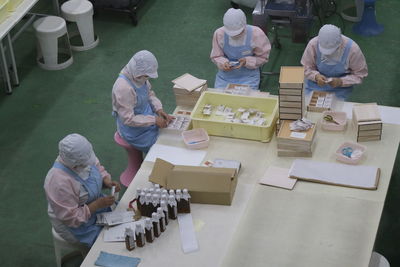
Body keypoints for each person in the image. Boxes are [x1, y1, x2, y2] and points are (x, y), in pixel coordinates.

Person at [44, 133, 121, 247]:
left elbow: (97, 167)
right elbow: (71, 218)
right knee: (106, 244)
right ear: (74, 164)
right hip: (74, 224)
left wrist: (106, 181)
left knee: (121, 221)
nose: (88, 164)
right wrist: (96, 205)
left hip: (93, 206)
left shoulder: (83, 156)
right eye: (84, 164)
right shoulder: (59, 182)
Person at [112, 50, 173, 153]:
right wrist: (154, 120)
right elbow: (128, 119)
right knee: (161, 148)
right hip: (134, 130)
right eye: (145, 76)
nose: (146, 78)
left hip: (147, 117)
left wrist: (159, 109)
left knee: (170, 135)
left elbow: (149, 94)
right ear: (138, 73)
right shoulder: (123, 88)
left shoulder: (139, 77)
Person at [301, 24, 368, 100]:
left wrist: (341, 81)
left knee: (336, 109)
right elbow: (306, 67)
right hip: (315, 85)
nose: (328, 55)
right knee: (307, 104)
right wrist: (316, 76)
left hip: (340, 89)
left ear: (340, 43)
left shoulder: (353, 50)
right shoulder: (313, 44)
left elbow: (360, 75)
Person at [210, 8, 271, 90]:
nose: (234, 36)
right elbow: (216, 56)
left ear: (244, 25)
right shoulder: (219, 34)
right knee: (220, 99)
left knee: (246, 100)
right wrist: (223, 63)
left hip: (249, 76)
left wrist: (247, 61)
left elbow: (263, 57)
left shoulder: (256, 34)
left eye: (238, 33)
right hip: (225, 76)